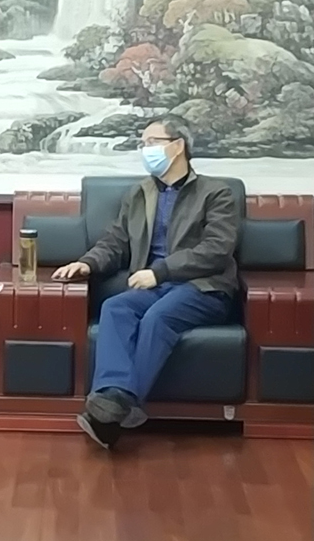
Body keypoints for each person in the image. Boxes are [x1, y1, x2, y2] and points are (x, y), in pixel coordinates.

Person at [52, 115, 239, 449]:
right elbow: (115, 242)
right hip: (155, 287)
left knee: (158, 317)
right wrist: (86, 263)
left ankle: (113, 410)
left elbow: (216, 249)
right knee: (115, 307)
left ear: (177, 146)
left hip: (204, 287)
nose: (144, 149)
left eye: (151, 142)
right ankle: (112, 397)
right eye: (142, 143)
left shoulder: (216, 193)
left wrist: (161, 271)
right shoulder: (140, 194)